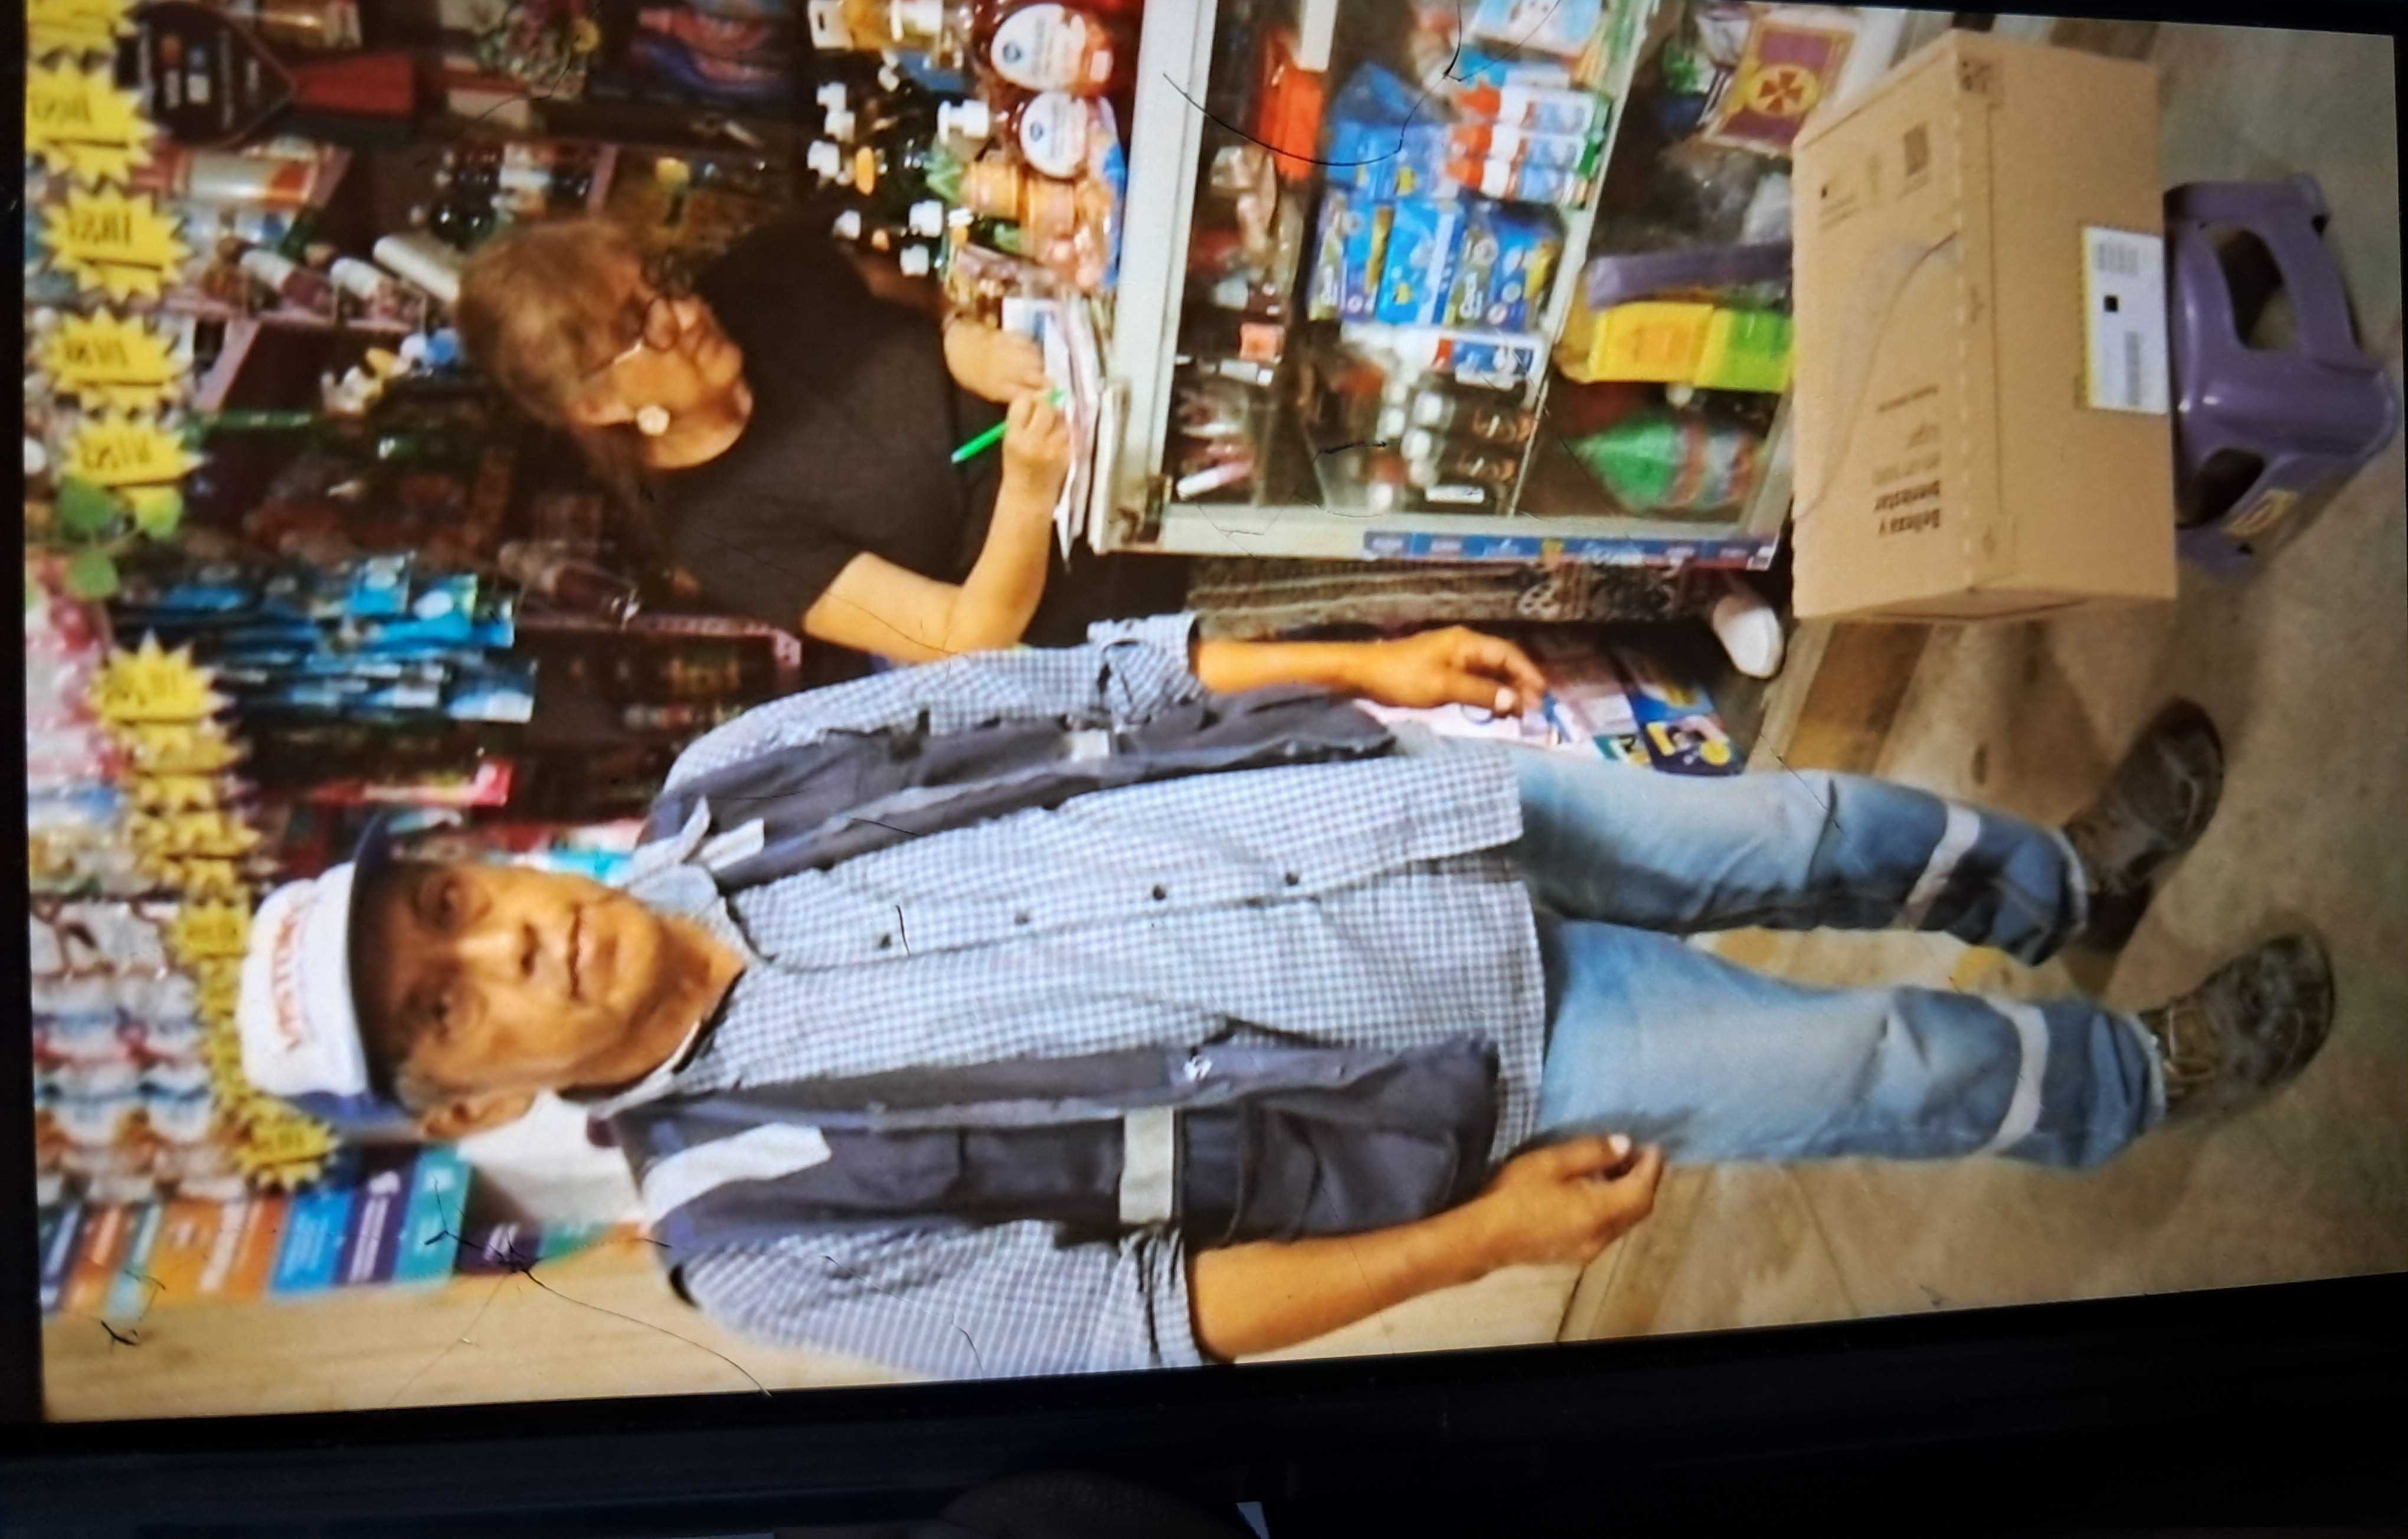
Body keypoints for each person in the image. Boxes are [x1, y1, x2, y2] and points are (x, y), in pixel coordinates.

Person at [238, 619, 2333, 1379]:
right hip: (1467, 1070)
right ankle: (2128, 1080)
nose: (505, 946)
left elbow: (1073, 685)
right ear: (462, 1108)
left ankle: (2062, 889)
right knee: (1852, 1064)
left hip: (1416, 810)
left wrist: (1361, 663)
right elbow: (1138, 1321)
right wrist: (1473, 1245)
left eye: (453, 902)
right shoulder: (753, 1233)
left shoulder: (727, 778)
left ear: (475, 854)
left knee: (1799, 828)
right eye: (445, 1008)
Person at [457, 212, 1192, 672]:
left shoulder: (760, 277)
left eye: (662, 286)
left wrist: (957, 334)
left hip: (1139, 392)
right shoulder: (718, 531)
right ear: (598, 403)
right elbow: (964, 631)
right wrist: (1028, 491)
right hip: (1127, 562)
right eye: (638, 329)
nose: (684, 313)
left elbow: (942, 280)